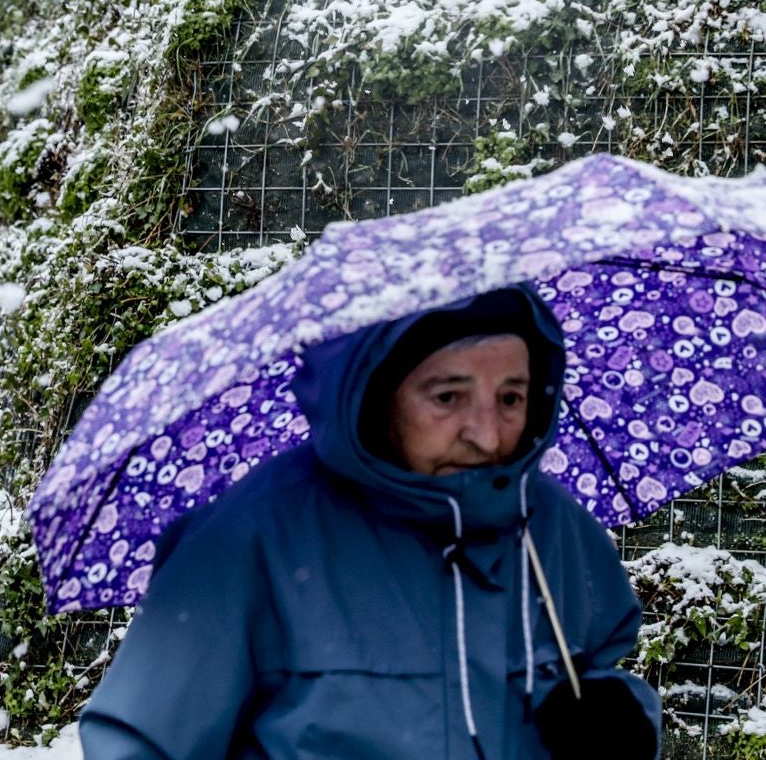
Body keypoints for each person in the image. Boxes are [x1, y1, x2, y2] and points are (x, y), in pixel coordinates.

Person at [79, 287, 663, 760]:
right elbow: (138, 744)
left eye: (511, 398)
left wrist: (625, 720)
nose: (487, 434)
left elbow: (599, 670)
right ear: (377, 397)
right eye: (448, 397)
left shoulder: (551, 526)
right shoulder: (250, 539)